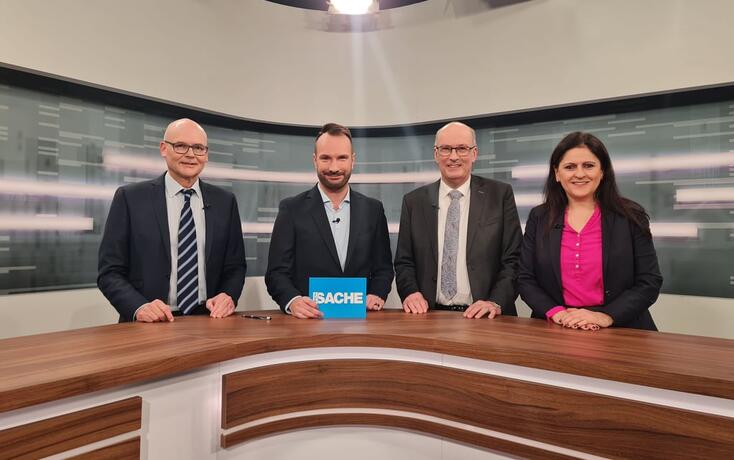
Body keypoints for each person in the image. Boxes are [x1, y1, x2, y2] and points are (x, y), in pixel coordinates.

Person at [98, 118, 247, 322]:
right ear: (163, 148)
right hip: (149, 322)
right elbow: (110, 271)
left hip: (208, 320)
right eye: (181, 146)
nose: (190, 154)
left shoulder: (225, 202)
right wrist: (139, 307)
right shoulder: (130, 198)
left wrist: (228, 295)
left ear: (206, 154)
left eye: (198, 148)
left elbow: (235, 266)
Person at [518, 131, 662, 330]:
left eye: (588, 165)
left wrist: (605, 316)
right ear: (557, 174)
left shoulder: (631, 216)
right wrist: (558, 314)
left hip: (621, 327)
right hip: (557, 327)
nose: (579, 174)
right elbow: (525, 278)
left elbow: (649, 281)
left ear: (602, 171)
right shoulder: (539, 217)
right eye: (570, 167)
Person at [265, 123, 394, 319]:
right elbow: (276, 273)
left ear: (353, 160)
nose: (334, 167)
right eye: (326, 158)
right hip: (308, 322)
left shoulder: (373, 210)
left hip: (361, 320)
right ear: (315, 160)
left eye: (342, 158)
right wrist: (293, 301)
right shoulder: (291, 209)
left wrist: (377, 293)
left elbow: (383, 268)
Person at [394, 121, 522, 319]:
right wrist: (411, 292)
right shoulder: (413, 202)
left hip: (485, 317)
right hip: (428, 316)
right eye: (446, 149)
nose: (453, 156)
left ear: (474, 153)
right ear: (436, 154)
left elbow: (514, 259)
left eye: (462, 148)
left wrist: (494, 302)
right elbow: (404, 261)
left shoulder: (500, 195)